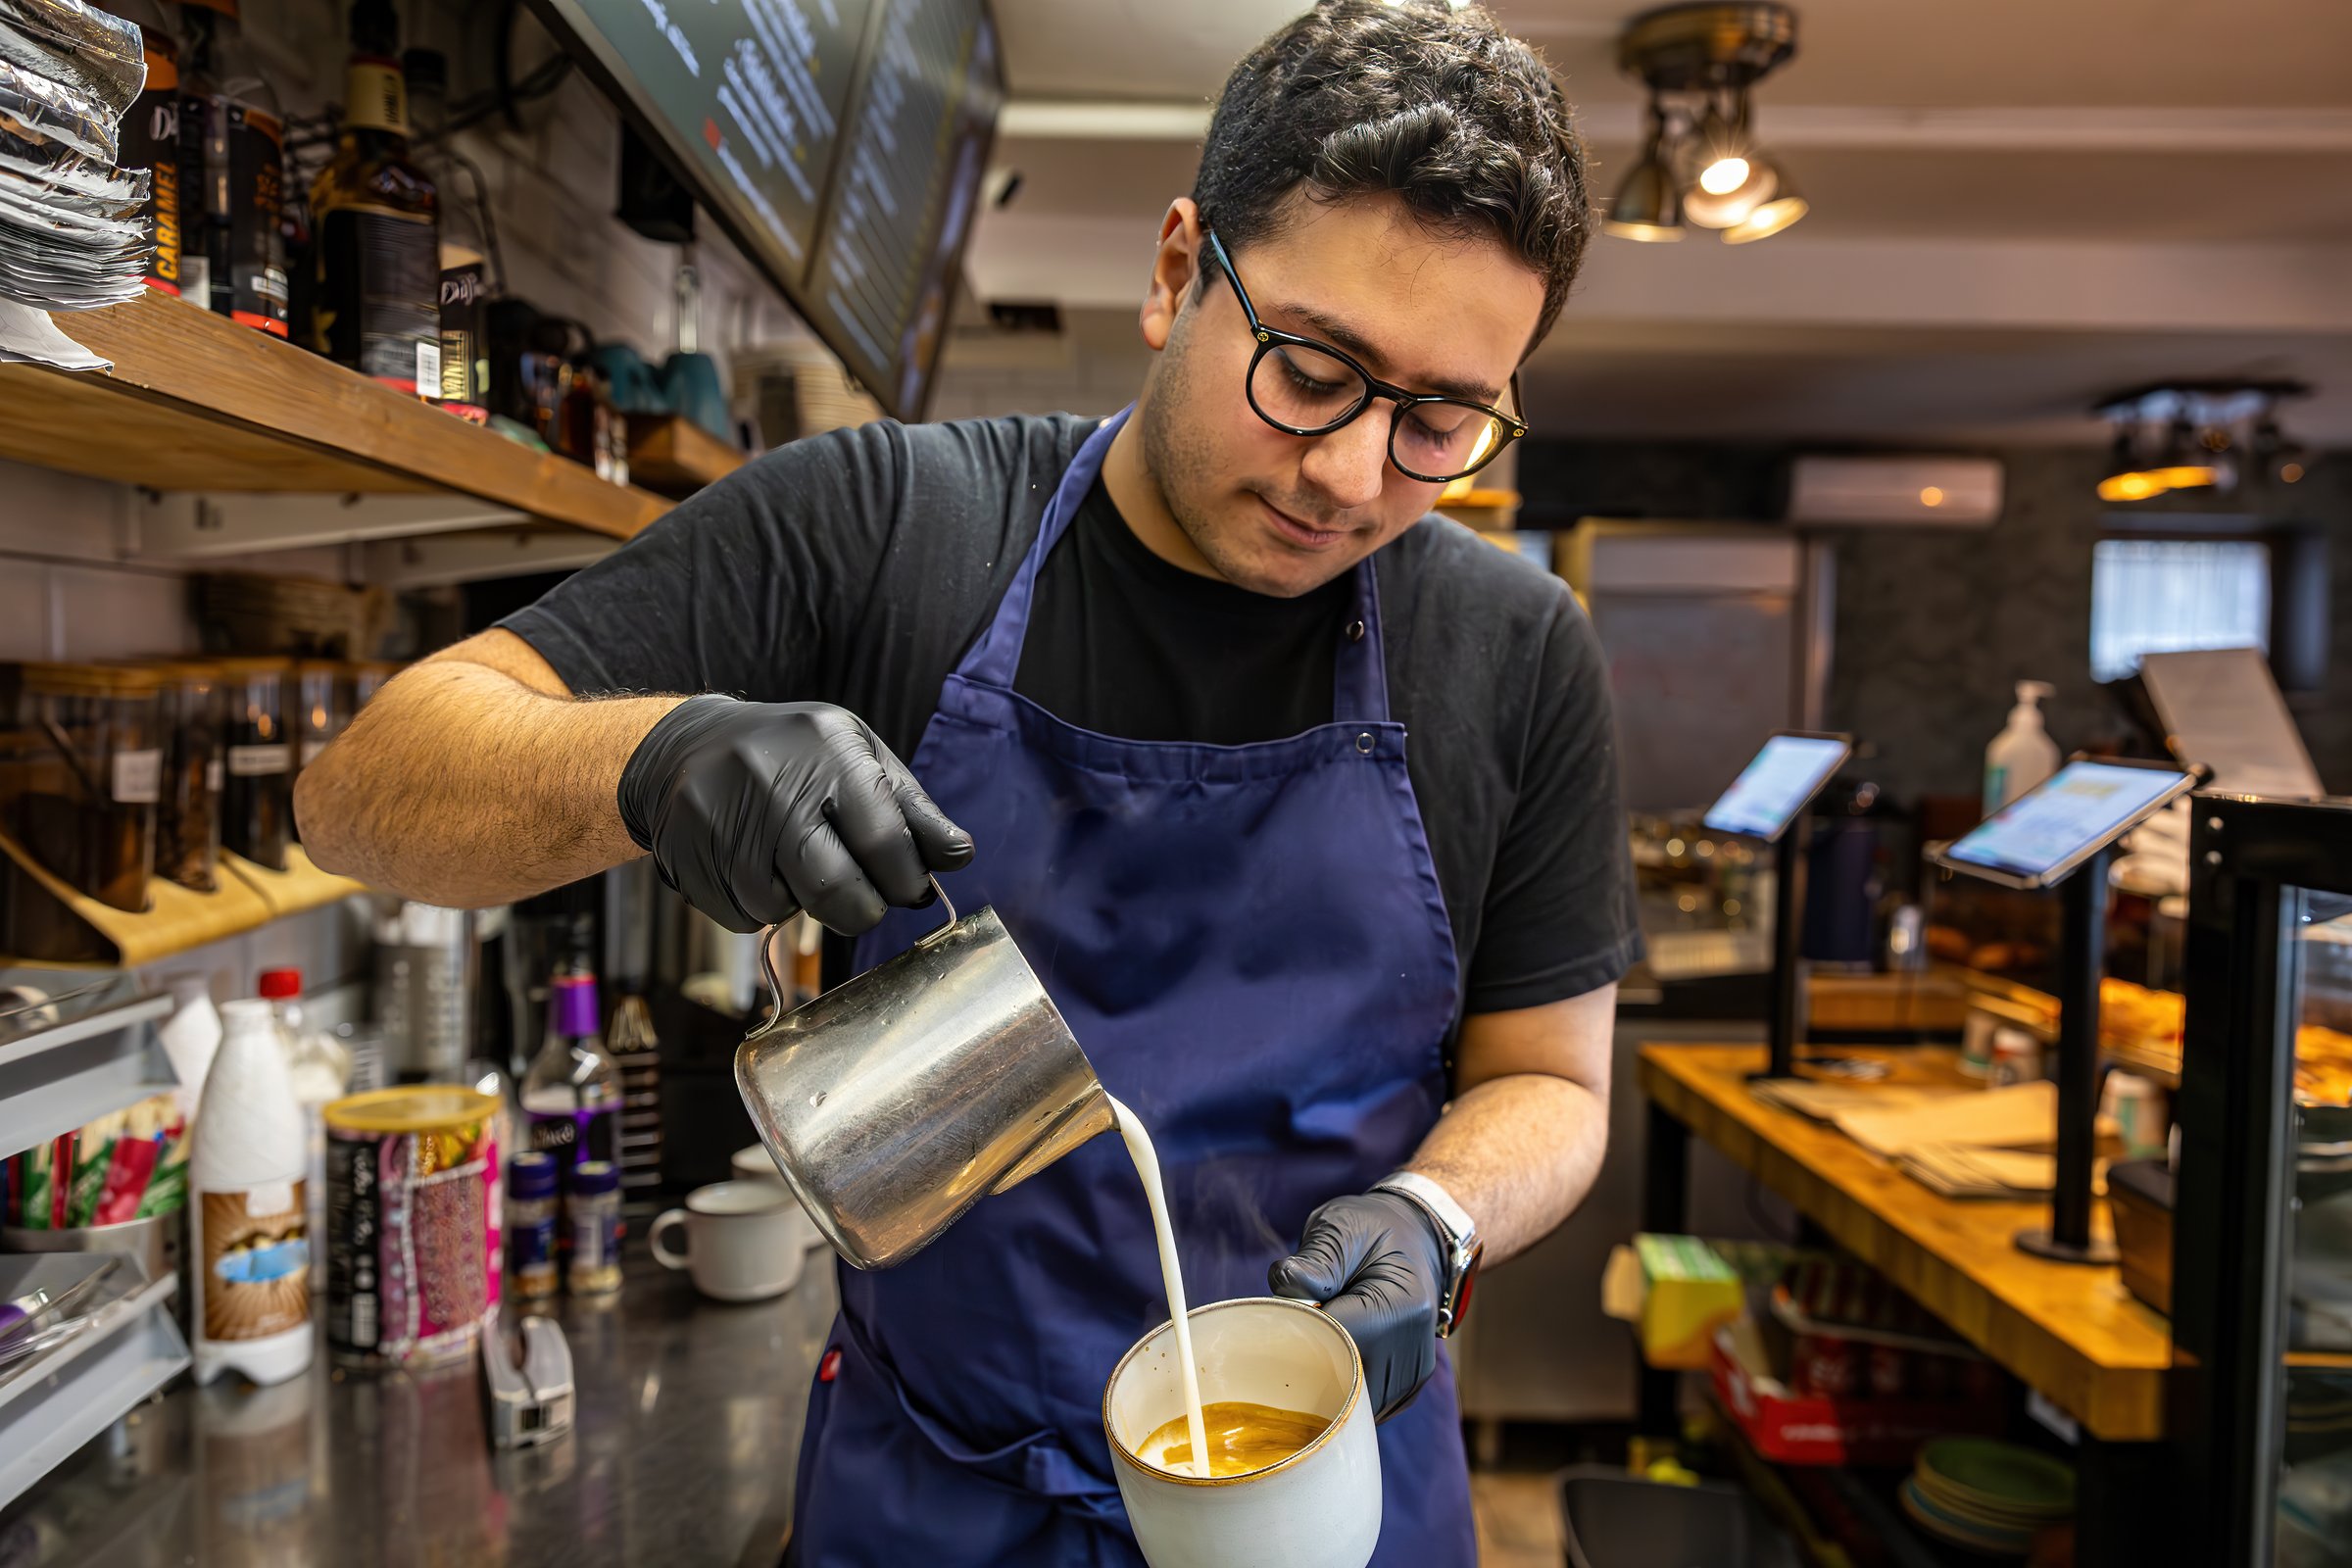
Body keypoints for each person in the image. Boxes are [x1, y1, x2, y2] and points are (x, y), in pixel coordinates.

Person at [297, 2, 1637, 1561]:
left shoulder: (1514, 649)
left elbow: (1554, 1080)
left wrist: (1440, 1215)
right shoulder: (885, 531)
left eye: (1440, 418)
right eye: (1315, 369)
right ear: (1173, 270)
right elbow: (365, 792)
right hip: (941, 1503)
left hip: (1329, 1507)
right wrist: (654, 760)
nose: (1353, 474)